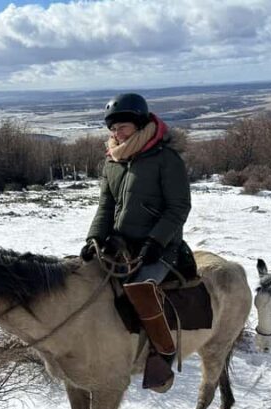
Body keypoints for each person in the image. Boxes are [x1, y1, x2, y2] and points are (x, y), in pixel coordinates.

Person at [80, 92, 192, 391]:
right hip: (119, 243)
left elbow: (178, 207)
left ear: (140, 124)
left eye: (123, 127)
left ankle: (161, 357)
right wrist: (94, 238)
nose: (117, 133)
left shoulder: (165, 158)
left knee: (141, 289)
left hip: (159, 246)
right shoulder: (113, 161)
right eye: (113, 128)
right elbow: (106, 206)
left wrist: (156, 241)